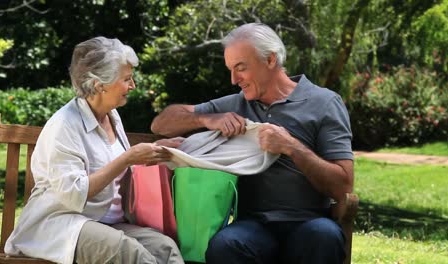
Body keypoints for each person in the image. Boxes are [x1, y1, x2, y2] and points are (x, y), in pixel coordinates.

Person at [150, 23, 354, 263]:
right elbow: (161, 124)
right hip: (253, 225)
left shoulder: (325, 103)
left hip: (309, 221)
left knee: (324, 236)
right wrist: (208, 118)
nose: (234, 79)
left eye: (240, 68)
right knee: (224, 245)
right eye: (230, 69)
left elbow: (343, 186)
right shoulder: (235, 105)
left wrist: (290, 146)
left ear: (270, 60)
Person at [5, 37, 185, 264]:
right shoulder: (64, 125)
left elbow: (119, 162)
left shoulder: (111, 116)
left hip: (106, 222)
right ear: (100, 85)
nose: (133, 86)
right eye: (127, 79)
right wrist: (128, 158)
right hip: (61, 224)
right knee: (130, 253)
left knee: (165, 248)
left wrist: (157, 149)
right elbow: (73, 195)